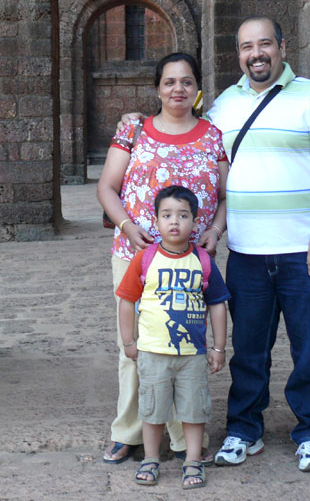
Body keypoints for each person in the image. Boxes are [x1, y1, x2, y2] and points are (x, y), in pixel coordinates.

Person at [118, 17, 310, 472]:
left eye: (265, 44)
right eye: (247, 46)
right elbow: (181, 124)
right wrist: (135, 119)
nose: (257, 53)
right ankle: (245, 428)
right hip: (246, 252)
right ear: (239, 55)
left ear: (282, 47)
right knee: (249, 349)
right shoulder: (224, 107)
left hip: (305, 252)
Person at [97, 52, 229, 466]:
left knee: (184, 345)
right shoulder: (135, 131)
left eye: (186, 82)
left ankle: (179, 436)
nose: (178, 89)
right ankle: (129, 430)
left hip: (191, 260)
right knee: (135, 346)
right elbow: (107, 187)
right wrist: (126, 226)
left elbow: (227, 196)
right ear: (157, 88)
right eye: (170, 82)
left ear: (197, 88)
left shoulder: (212, 135)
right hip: (138, 256)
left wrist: (215, 229)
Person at [115, 185, 229, 488]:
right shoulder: (144, 260)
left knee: (193, 410)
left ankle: (192, 462)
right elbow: (127, 301)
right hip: (153, 351)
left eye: (183, 215)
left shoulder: (203, 261)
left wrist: (219, 346)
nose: (174, 221)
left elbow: (217, 305)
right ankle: (150, 459)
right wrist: (129, 342)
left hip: (192, 354)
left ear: (195, 221)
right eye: (167, 215)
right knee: (153, 410)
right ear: (156, 220)